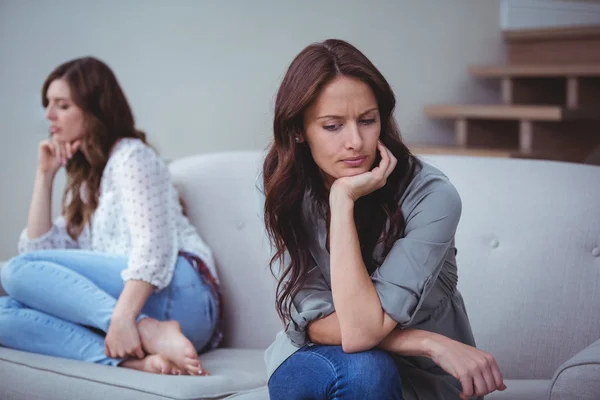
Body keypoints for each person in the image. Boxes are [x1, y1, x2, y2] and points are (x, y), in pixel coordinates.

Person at [260, 39, 507, 399]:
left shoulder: (432, 197)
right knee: (366, 370)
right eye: (332, 126)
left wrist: (341, 199)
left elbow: (359, 330)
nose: (355, 142)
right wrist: (426, 341)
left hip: (425, 380)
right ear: (298, 130)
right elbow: (318, 325)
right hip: (321, 362)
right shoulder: (280, 186)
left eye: (367, 120)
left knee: (369, 372)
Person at [0, 57, 221, 375]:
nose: (49, 115)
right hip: (140, 309)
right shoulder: (89, 187)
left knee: (15, 271)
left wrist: (123, 319)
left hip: (184, 293)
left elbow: (153, 248)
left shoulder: (131, 156)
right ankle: (135, 361)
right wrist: (44, 175)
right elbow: (39, 255)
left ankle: (146, 330)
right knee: (5, 314)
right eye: (48, 104)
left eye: (62, 105)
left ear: (94, 109)